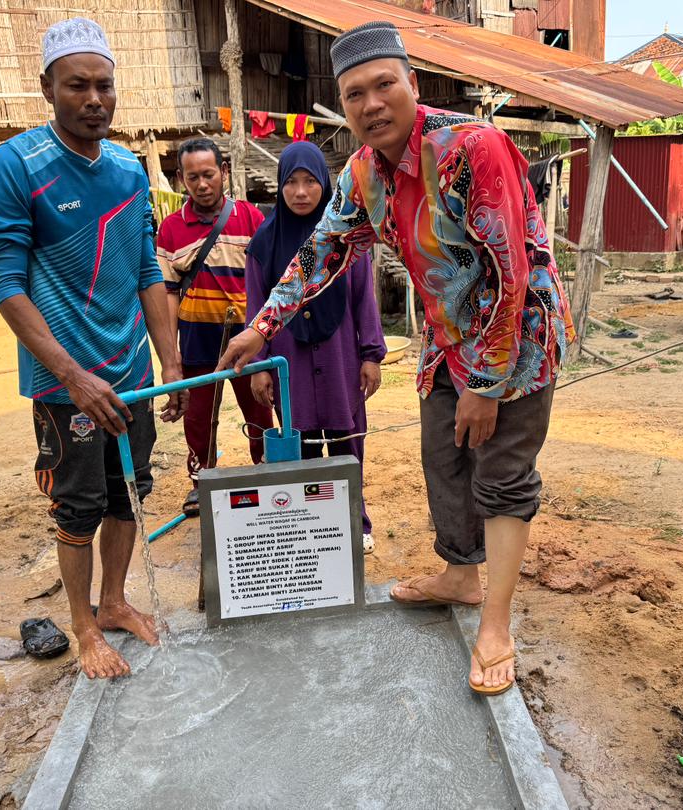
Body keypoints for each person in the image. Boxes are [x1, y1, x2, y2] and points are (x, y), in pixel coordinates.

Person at [219, 22, 575, 696]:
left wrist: (489, 383)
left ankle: (495, 622)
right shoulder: (361, 172)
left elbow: (511, 270)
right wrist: (263, 328)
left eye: (385, 85)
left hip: (517, 340)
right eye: (355, 94)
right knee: (443, 460)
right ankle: (461, 577)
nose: (371, 103)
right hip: (446, 340)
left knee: (499, 474)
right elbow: (320, 253)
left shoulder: (473, 148)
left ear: (412, 84)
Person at [0, 17, 187, 680]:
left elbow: (149, 273)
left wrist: (172, 361)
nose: (94, 98)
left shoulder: (128, 171)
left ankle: (116, 600)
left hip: (130, 371)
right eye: (77, 86)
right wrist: (72, 376)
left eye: (104, 85)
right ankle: (83, 622)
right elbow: (8, 283)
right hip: (63, 381)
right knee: (78, 503)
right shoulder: (17, 166)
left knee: (131, 491)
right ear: (48, 88)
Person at [245, 141, 385, 553]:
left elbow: (364, 299)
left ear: (325, 184)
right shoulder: (264, 243)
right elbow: (257, 308)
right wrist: (260, 366)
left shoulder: (345, 237)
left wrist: (371, 355)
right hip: (289, 361)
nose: (301, 192)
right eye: (291, 182)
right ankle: (309, 528)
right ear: (279, 186)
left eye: (310, 182)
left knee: (348, 442)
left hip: (341, 356)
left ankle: (353, 523)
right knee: (300, 444)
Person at [157, 138, 273, 517]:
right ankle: (202, 481)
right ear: (181, 180)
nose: (203, 184)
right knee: (198, 417)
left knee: (258, 409)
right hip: (196, 341)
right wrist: (171, 351)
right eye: (193, 177)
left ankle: (266, 474)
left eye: (209, 174)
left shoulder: (252, 218)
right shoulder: (171, 230)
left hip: (247, 340)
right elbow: (169, 293)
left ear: (223, 172)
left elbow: (268, 280)